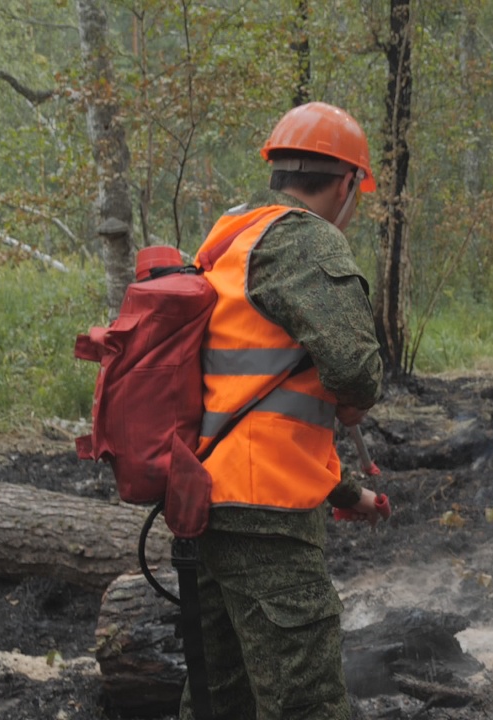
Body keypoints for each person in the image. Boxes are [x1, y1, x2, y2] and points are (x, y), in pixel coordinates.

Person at [179, 101, 387, 720]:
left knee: (221, 697)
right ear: (349, 182)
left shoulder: (230, 237)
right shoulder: (305, 239)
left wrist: (352, 495)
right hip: (266, 518)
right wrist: (354, 396)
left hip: (210, 502)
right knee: (308, 704)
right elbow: (355, 371)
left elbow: (260, 411)